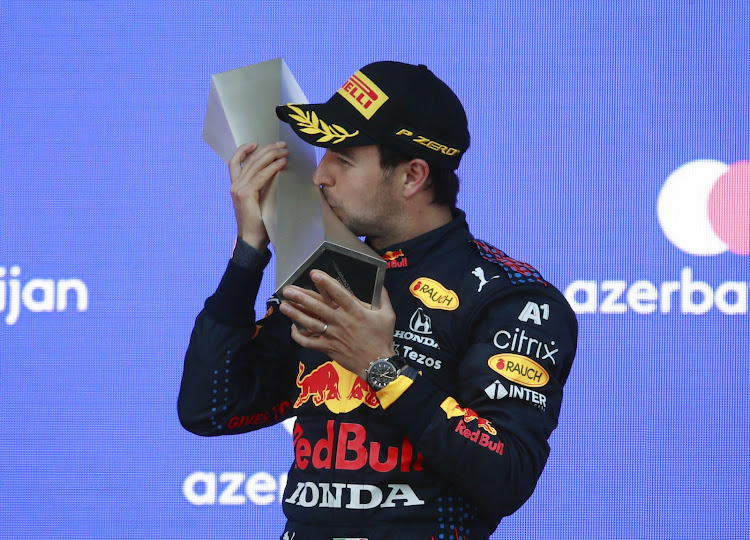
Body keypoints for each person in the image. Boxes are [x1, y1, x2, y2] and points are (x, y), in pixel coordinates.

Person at [178, 61, 577, 540]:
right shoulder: (331, 273)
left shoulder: (510, 296)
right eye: (322, 153)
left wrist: (381, 367)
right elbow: (211, 409)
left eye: (343, 158)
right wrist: (249, 253)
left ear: (412, 176)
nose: (320, 175)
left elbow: (508, 475)